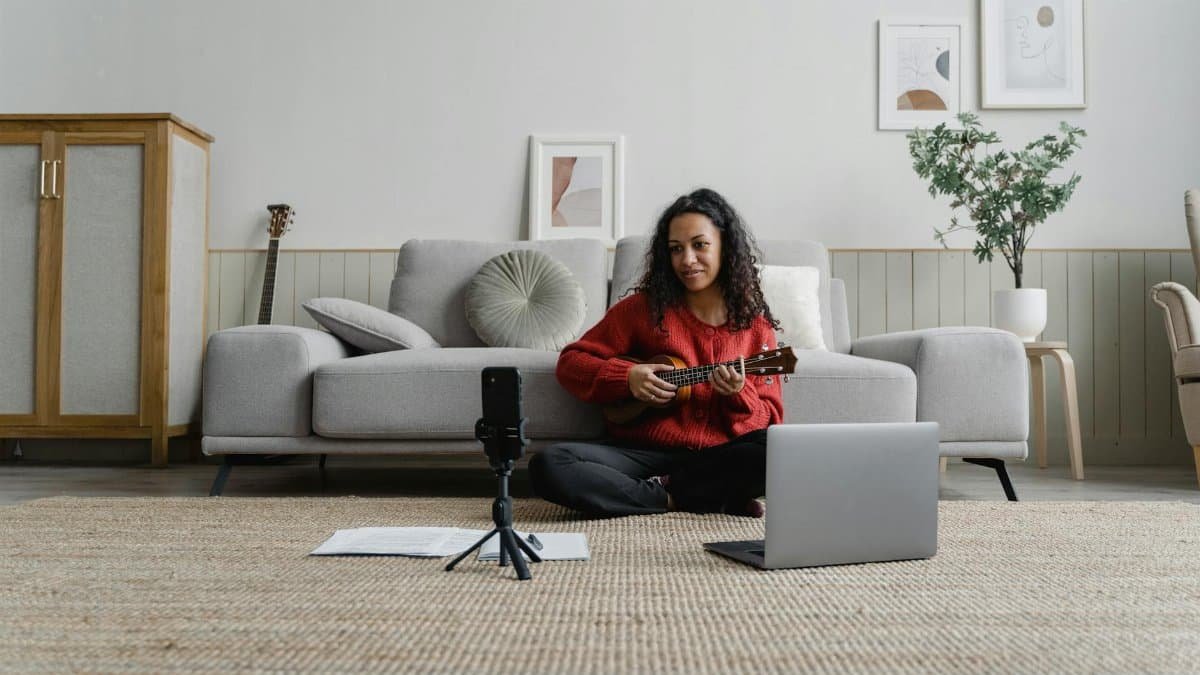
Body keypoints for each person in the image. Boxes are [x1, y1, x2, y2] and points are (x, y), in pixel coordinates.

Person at [528, 188, 783, 518]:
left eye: (699, 245)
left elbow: (772, 421)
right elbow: (572, 364)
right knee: (550, 465)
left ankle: (677, 491)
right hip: (641, 453)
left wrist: (740, 394)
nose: (687, 260)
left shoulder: (757, 328)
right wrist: (628, 377)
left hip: (716, 457)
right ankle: (681, 497)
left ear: (725, 246)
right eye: (676, 249)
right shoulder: (641, 310)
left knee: (775, 451)